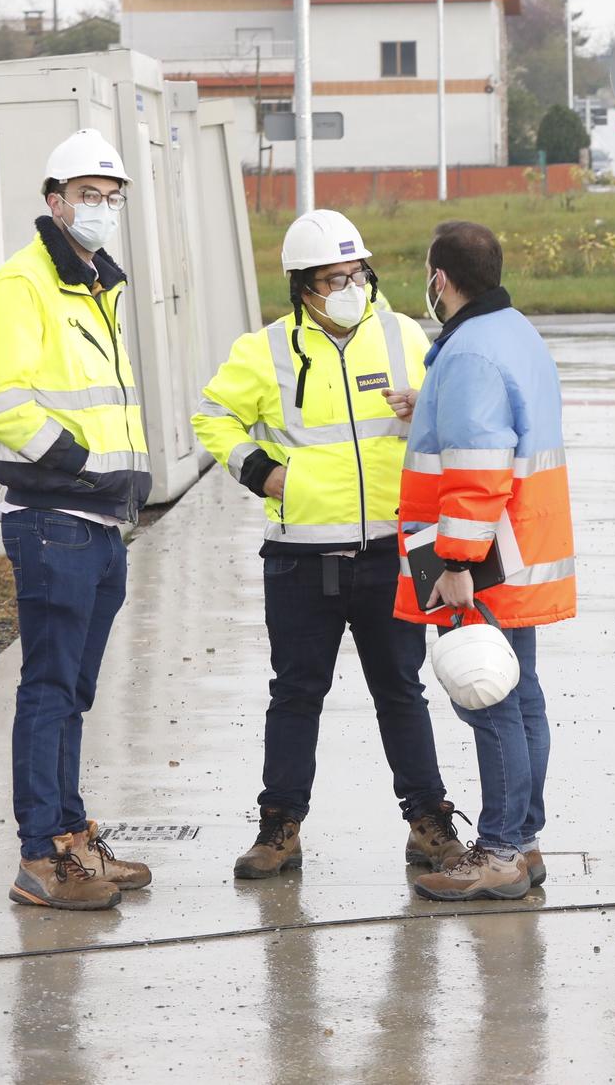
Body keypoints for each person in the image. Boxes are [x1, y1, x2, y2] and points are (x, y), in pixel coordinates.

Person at [191, 209, 467, 881]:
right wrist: (262, 472)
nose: (348, 287)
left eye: (356, 274)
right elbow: (213, 415)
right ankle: (279, 827)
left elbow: (451, 419)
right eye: (331, 279)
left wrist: (421, 411)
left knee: (401, 690)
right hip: (301, 553)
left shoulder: (403, 336)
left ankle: (428, 820)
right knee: (295, 693)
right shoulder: (266, 350)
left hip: (392, 548)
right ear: (302, 288)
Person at [0, 129, 151, 910]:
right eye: (88, 196)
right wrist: (76, 459)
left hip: (101, 522)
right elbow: (0, 399)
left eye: (111, 199)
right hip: (54, 516)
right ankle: (39, 854)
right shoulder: (24, 283)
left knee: (73, 688)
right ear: (55, 202)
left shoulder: (96, 286)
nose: (101, 210)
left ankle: (73, 834)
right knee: (48, 687)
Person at [398, 221, 575, 902]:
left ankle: (499, 849)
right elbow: (498, 426)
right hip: (519, 548)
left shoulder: (469, 352)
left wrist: (456, 560)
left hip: (483, 558)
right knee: (521, 690)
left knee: (488, 694)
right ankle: (522, 839)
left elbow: (478, 465)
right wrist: (428, 407)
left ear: (440, 278)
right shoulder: (513, 333)